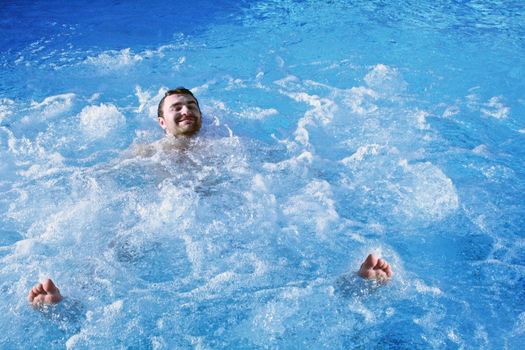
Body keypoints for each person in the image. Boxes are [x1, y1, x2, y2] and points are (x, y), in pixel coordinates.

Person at [27, 88, 393, 306]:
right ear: (161, 121)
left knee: (285, 240)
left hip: (224, 213)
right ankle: (66, 304)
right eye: (177, 107)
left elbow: (289, 166)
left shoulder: (227, 147)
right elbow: (97, 179)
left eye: (192, 106)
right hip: (163, 216)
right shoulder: (146, 151)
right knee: (117, 249)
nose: (186, 110)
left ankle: (351, 285)